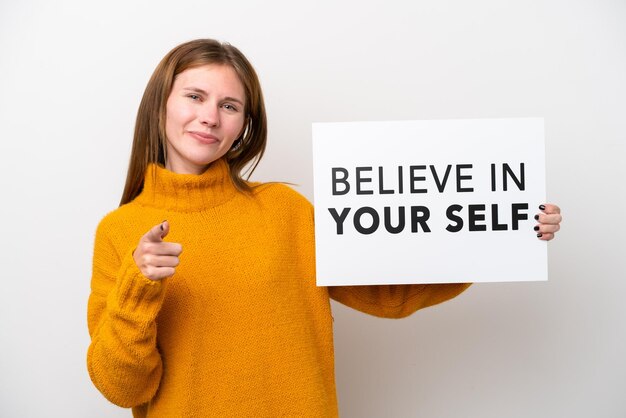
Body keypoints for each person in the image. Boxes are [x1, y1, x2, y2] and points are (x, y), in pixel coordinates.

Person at [86, 39, 563, 418]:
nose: (210, 116)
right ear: (161, 103)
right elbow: (125, 387)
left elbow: (389, 294)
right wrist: (138, 287)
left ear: (245, 124)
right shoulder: (120, 231)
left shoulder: (285, 211)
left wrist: (501, 230)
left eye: (230, 106)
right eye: (195, 96)